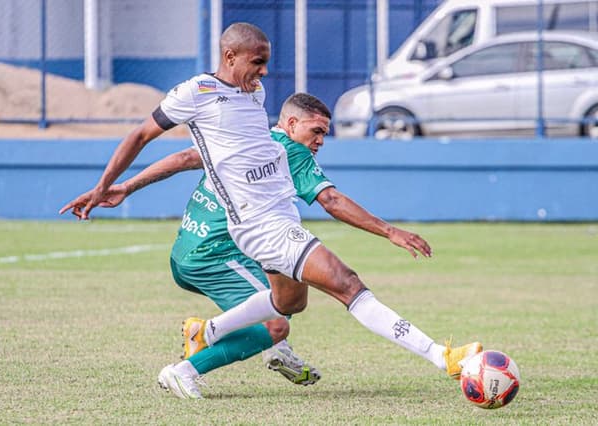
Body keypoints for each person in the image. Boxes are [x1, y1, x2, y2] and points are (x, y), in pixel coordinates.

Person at [61, 22, 481, 399]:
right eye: (257, 63)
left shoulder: (255, 100)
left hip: (272, 221)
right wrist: (106, 188)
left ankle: (206, 331)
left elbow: (194, 158)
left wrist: (129, 185)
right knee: (346, 284)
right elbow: (142, 135)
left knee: (288, 305)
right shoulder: (196, 93)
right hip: (261, 225)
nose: (264, 73)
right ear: (230, 57)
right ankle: (443, 356)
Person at [61, 93, 339, 398]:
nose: (321, 141)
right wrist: (389, 232)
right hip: (214, 256)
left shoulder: (244, 139)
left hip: (193, 249)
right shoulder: (287, 152)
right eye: (317, 132)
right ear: (291, 123)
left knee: (282, 295)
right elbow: (331, 200)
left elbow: (184, 158)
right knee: (277, 321)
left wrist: (127, 186)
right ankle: (183, 370)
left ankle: (277, 352)